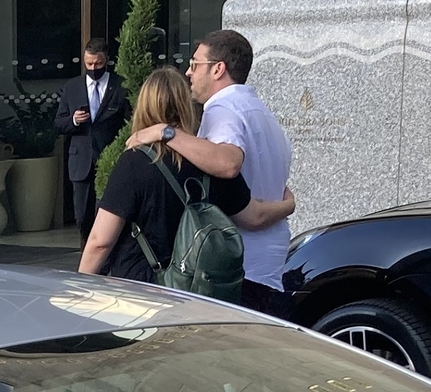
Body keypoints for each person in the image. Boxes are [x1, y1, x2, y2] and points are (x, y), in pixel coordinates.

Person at [134, 29, 296, 315]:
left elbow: (227, 164)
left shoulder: (223, 107)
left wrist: (166, 132)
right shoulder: (262, 113)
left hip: (236, 268)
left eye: (195, 64)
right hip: (269, 265)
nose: (188, 72)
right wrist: (287, 205)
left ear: (218, 69)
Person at [81, 65, 287, 285]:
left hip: (140, 289)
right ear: (186, 106)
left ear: (143, 106)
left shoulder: (133, 162)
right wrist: (289, 205)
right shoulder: (208, 161)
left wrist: (78, 289)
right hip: (195, 290)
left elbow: (100, 241)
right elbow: (255, 217)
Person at [53, 39, 129, 238]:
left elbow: (129, 122)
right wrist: (74, 120)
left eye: (98, 64)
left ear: (107, 61)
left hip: (110, 157)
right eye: (89, 64)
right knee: (82, 216)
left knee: (107, 213)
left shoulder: (120, 86)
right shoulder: (73, 87)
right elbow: (58, 124)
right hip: (81, 159)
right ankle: (88, 256)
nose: (93, 68)